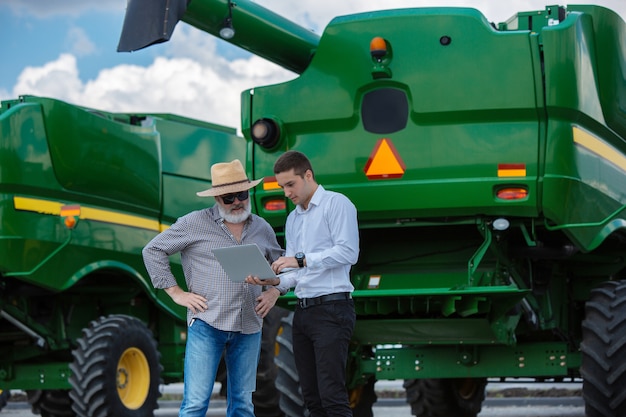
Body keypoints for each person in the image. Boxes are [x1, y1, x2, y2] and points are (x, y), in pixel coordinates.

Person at [142, 159, 283, 417]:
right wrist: (176, 293)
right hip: (208, 323)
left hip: (249, 326)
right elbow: (152, 250)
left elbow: (281, 266)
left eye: (242, 194)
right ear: (217, 197)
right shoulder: (193, 223)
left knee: (243, 405)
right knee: (195, 404)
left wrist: (275, 292)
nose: (238, 201)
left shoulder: (262, 228)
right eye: (229, 198)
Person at [247, 150, 360, 417]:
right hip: (304, 313)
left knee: (332, 396)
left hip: (333, 310)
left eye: (290, 184)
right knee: (310, 398)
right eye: (281, 186)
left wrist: (299, 260)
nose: (286, 192)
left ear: (308, 175)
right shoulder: (294, 218)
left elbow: (348, 252)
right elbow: (295, 273)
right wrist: (274, 285)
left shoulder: (337, 204)